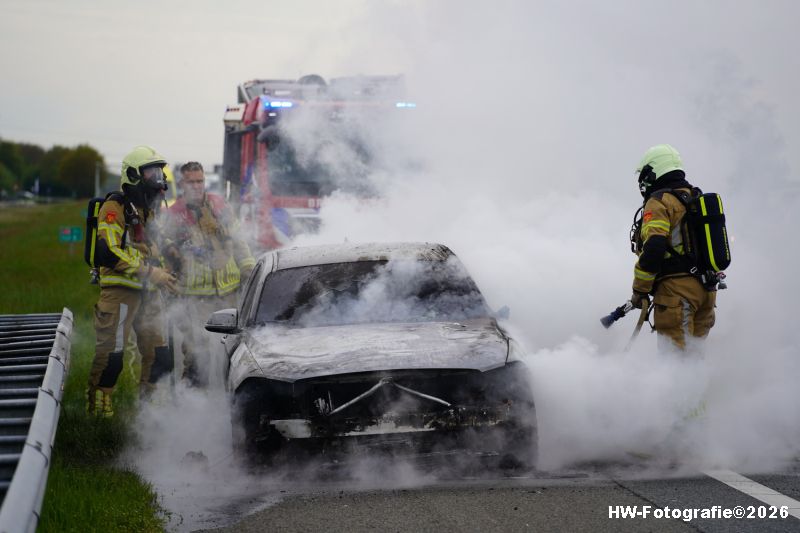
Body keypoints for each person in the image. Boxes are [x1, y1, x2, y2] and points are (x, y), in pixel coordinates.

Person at [87, 146, 179, 417]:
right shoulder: (114, 207)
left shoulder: (149, 210)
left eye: (159, 171)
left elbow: (155, 245)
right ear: (133, 175)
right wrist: (152, 273)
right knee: (112, 355)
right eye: (151, 171)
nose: (158, 177)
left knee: (159, 353)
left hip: (149, 292)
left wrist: (172, 263)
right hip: (120, 291)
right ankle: (98, 409)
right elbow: (108, 250)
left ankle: (148, 410)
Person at [164, 161, 255, 386]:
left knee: (234, 351)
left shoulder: (220, 205)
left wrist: (248, 269)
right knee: (197, 355)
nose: (196, 186)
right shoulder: (173, 214)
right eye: (191, 181)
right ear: (181, 184)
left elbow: (238, 239)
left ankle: (231, 404)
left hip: (228, 291)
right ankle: (193, 408)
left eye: (200, 181)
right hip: (195, 296)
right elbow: (163, 252)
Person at [630, 144, 716, 351]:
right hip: (706, 291)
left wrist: (640, 290)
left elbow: (654, 248)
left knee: (676, 362)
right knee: (693, 360)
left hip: (677, 293)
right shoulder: (694, 197)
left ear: (654, 170)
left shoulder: (659, 201)